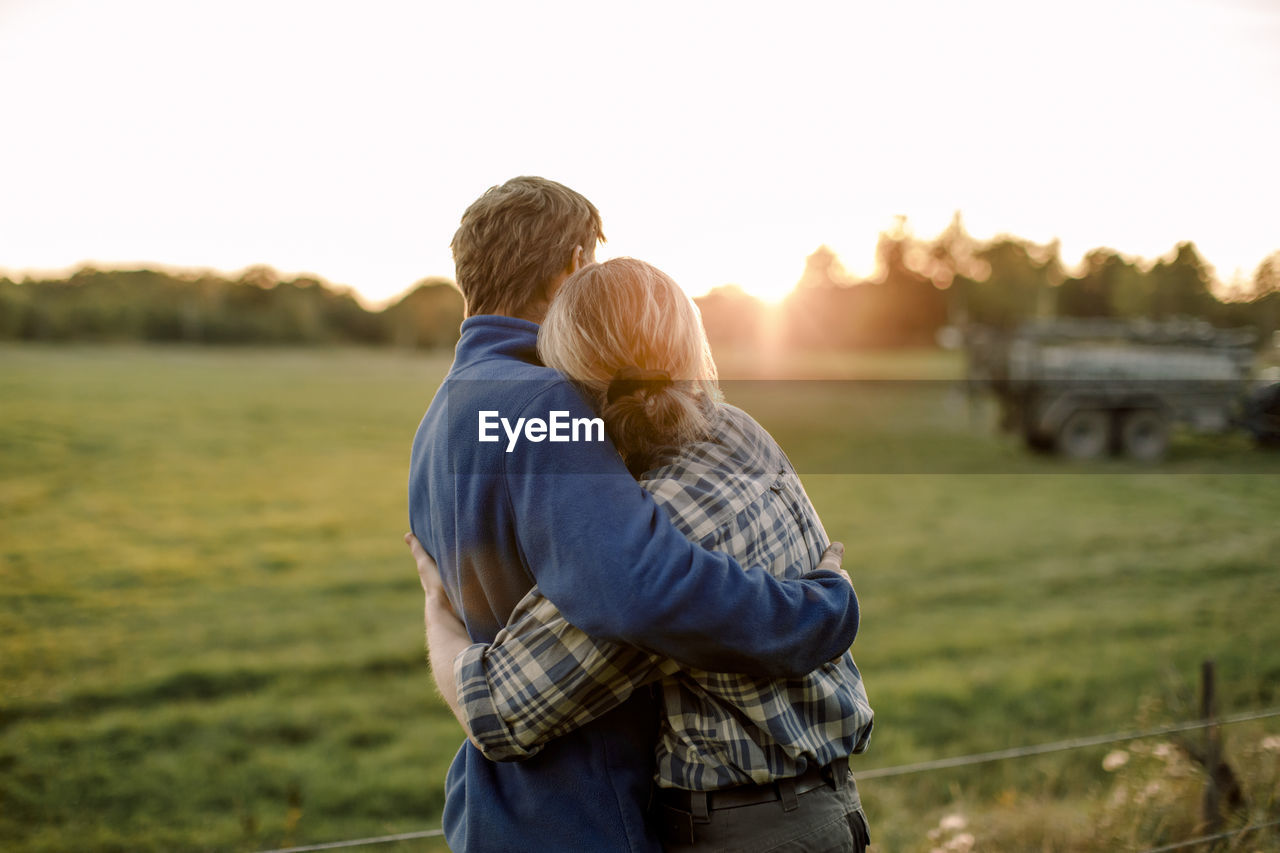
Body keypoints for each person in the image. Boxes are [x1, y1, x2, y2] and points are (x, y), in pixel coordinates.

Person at [407, 177, 862, 852]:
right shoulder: (548, 403)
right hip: (588, 812)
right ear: (572, 264)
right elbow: (644, 590)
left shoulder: (440, 414)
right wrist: (819, 611)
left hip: (500, 806)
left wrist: (439, 628)